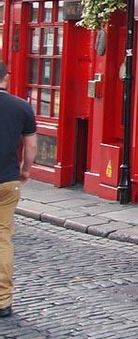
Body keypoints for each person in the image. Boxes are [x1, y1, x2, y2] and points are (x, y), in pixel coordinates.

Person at [0, 62, 36, 317]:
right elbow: (31, 148)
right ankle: (2, 300)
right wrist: (25, 170)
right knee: (2, 239)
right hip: (7, 181)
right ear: (6, 78)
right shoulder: (22, 106)